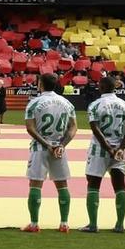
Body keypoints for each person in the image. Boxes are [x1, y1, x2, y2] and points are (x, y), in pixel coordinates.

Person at [21, 72, 77, 233]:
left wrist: (46, 144)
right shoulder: (66, 103)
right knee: (62, 184)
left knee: (35, 184)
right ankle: (64, 223)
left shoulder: (34, 103)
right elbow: (73, 127)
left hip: (40, 147)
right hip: (59, 147)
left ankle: (34, 223)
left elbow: (30, 128)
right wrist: (61, 145)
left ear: (40, 84)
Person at [82, 73, 125, 233]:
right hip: (119, 149)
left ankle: (93, 224)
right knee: (120, 185)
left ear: (102, 87)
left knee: (93, 184)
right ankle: (119, 224)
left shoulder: (95, 105)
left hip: (99, 150)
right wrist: (119, 149)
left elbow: (95, 128)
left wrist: (108, 148)